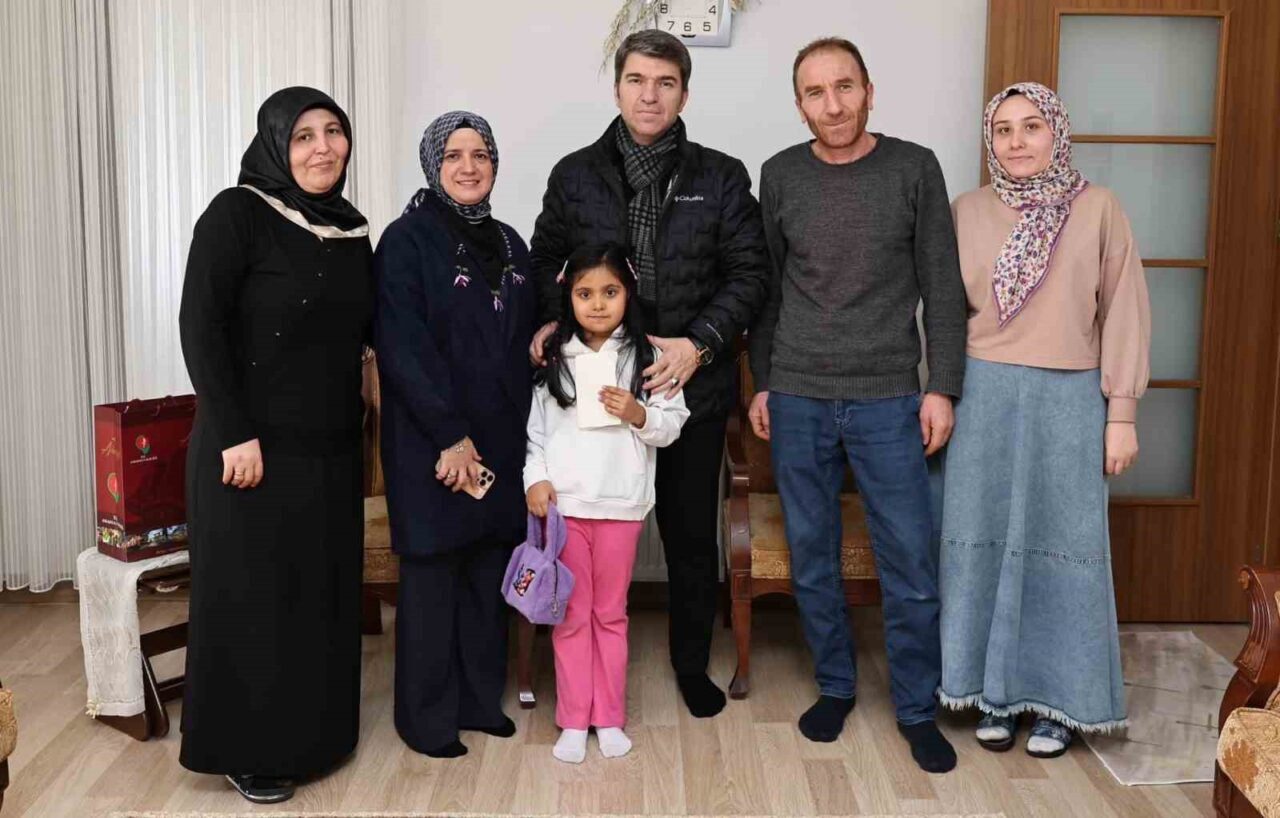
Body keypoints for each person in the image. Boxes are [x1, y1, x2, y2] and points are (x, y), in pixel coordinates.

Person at [529, 29, 768, 718]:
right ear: (617, 88)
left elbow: (750, 274)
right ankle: (577, 667)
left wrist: (699, 345)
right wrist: (549, 323)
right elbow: (545, 263)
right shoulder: (575, 174)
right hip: (593, 393)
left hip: (689, 386)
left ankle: (690, 664)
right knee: (586, 531)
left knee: (690, 535)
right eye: (637, 80)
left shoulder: (721, 176)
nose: (650, 95)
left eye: (665, 83)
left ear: (685, 94)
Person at [747, 38, 968, 773]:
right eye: (815, 92)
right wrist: (764, 381)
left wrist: (942, 387)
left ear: (869, 91)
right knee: (812, 558)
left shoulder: (914, 167)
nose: (833, 104)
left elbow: (942, 285)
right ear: (799, 104)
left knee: (909, 561)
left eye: (844, 87)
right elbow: (768, 291)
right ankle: (836, 686)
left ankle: (916, 708)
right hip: (798, 393)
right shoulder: (779, 174)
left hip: (889, 398)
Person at [937, 82, 1149, 758]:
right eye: (1003, 129)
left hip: (1071, 398)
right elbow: (940, 314)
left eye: (1032, 126)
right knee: (979, 544)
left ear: (1057, 132)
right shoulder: (966, 211)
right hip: (981, 398)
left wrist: (1121, 414)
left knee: (1064, 549)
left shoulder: (1099, 208)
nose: (1017, 141)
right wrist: (934, 394)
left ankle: (1058, 704)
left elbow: (1124, 310)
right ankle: (989, 694)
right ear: (990, 141)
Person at [178, 86, 372, 804]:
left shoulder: (351, 229)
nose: (323, 148)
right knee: (255, 603)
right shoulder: (237, 214)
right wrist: (234, 434)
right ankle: (249, 751)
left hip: (329, 449)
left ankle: (319, 737)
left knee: (318, 596)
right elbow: (200, 326)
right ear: (275, 145)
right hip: (250, 452)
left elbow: (365, 334)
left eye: (334, 132)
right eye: (304, 136)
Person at [374, 111, 535, 759]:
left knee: (487, 572)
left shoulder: (511, 243)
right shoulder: (406, 240)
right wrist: (448, 435)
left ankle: (478, 702)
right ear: (432, 165)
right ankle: (426, 719)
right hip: (433, 441)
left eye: (481, 154)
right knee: (435, 577)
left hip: (501, 439)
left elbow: (526, 334)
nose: (469, 167)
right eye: (454, 156)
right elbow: (401, 345)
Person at [524, 242, 690, 763]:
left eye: (610, 292)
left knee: (611, 614)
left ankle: (609, 716)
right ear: (569, 297)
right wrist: (535, 480)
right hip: (566, 510)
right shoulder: (555, 358)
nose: (597, 304)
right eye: (585, 293)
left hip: (621, 507)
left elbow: (672, 424)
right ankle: (574, 719)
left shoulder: (648, 357)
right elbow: (535, 435)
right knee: (572, 615)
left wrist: (639, 415)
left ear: (629, 293)